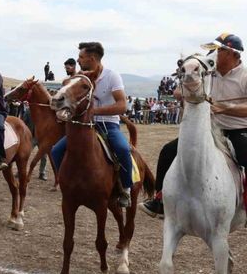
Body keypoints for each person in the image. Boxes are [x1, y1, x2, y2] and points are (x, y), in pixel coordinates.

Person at [141, 33, 247, 218]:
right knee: (168, 151)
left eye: (218, 50)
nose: (213, 54)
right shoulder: (208, 71)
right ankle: (160, 200)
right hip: (209, 130)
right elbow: (178, 90)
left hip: (238, 130)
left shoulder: (245, 76)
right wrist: (183, 91)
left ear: (232, 54)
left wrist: (224, 107)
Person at [50, 42, 133, 207]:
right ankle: (65, 182)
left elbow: (122, 105)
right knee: (56, 150)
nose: (78, 60)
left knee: (123, 149)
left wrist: (95, 112)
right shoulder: (80, 78)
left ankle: (126, 189)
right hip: (83, 126)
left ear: (92, 58)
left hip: (108, 125)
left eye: (81, 57)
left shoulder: (112, 76)